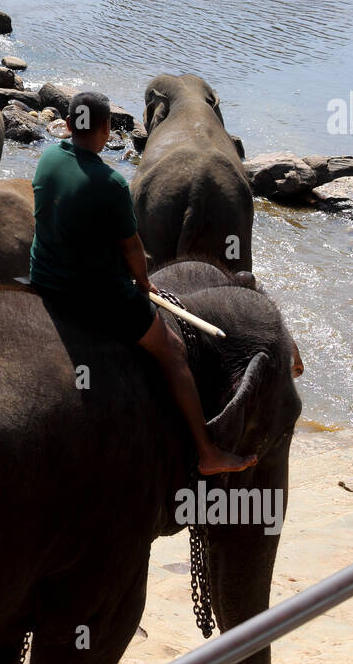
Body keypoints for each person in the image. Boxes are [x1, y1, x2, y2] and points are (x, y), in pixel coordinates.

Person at [29, 91, 256, 475]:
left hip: (44, 276)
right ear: (106, 130)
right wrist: (143, 283)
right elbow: (132, 246)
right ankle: (207, 452)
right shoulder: (111, 183)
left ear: (66, 126)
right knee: (173, 351)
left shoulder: (48, 158)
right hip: (93, 294)